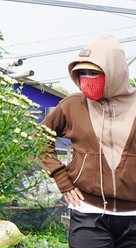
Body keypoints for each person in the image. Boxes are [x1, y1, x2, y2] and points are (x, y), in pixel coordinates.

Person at [39, 33, 136, 247]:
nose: (87, 79)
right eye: (82, 73)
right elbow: (40, 137)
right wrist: (61, 179)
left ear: (115, 72)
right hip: (88, 213)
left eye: (94, 73)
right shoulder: (73, 105)